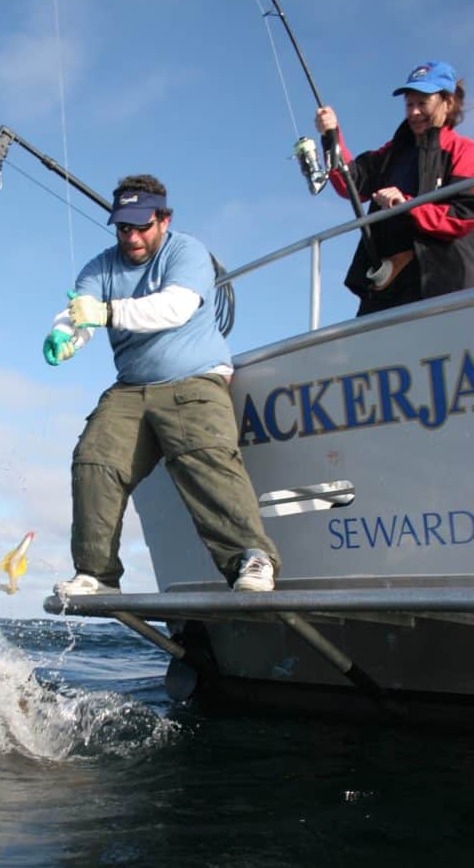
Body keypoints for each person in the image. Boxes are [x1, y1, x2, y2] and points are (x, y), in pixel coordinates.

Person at [42, 174, 280, 597]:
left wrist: (106, 312)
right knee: (94, 458)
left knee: (204, 456)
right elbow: (79, 312)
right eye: (123, 227)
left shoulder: (186, 251)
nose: (132, 237)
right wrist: (66, 336)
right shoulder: (100, 266)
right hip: (132, 387)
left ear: (164, 220)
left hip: (195, 378)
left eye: (141, 226)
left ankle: (251, 557)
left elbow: (175, 307)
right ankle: (97, 575)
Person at [315, 60, 474, 315]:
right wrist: (331, 135)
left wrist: (407, 205)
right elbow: (350, 184)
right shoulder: (391, 152)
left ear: (448, 102)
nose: (414, 112)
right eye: (409, 104)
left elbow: (464, 215)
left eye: (423, 102)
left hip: (442, 287)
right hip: (384, 286)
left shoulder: (465, 151)